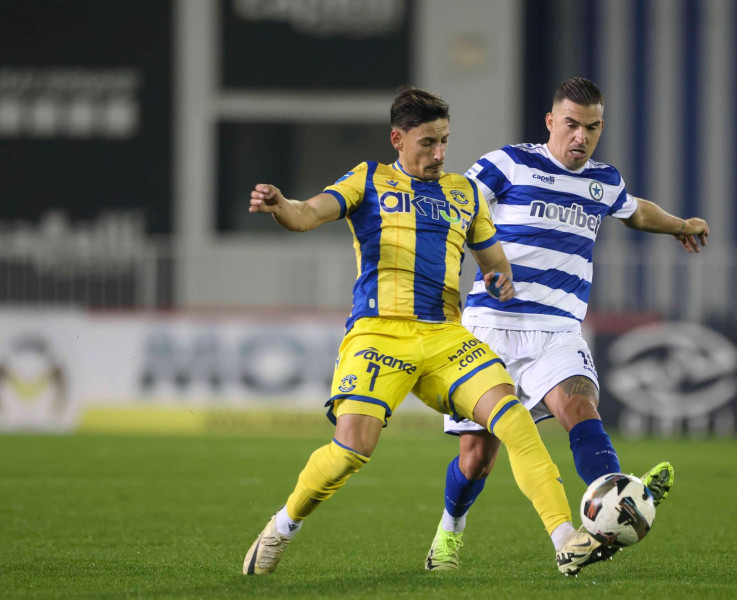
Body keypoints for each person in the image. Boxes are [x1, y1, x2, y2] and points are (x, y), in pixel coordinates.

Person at [242, 88, 607, 578]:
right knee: (352, 450)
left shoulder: (465, 193)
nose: (439, 154)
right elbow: (307, 214)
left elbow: (494, 261)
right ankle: (282, 527)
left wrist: (499, 280)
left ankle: (566, 540)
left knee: (514, 420)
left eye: (445, 141)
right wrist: (280, 204)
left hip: (445, 338)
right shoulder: (368, 179)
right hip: (379, 334)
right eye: (428, 143)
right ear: (398, 139)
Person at [424, 77, 710, 571]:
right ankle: (450, 531)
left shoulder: (604, 181)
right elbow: (458, 209)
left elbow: (636, 212)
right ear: (550, 121)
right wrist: (480, 267)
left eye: (592, 127)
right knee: (477, 458)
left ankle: (613, 506)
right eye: (572, 125)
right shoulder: (508, 163)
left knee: (580, 407)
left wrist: (681, 225)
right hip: (490, 326)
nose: (581, 137)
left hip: (558, 328)